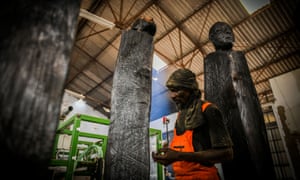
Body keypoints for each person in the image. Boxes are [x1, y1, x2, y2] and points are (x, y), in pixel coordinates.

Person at [152, 68, 233, 180]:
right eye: (171, 90)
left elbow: (226, 153)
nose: (172, 95)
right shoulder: (180, 115)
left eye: (176, 90)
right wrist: (167, 157)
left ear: (190, 89)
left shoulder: (208, 110)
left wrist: (178, 156)